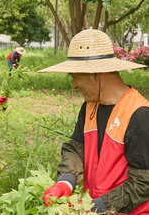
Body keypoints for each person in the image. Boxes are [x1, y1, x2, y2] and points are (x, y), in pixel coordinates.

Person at [39, 29, 149, 214]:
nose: (73, 85)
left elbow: (143, 183)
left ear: (96, 74)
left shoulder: (140, 115)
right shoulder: (90, 107)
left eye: (74, 76)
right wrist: (66, 180)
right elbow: (76, 147)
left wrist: (100, 206)